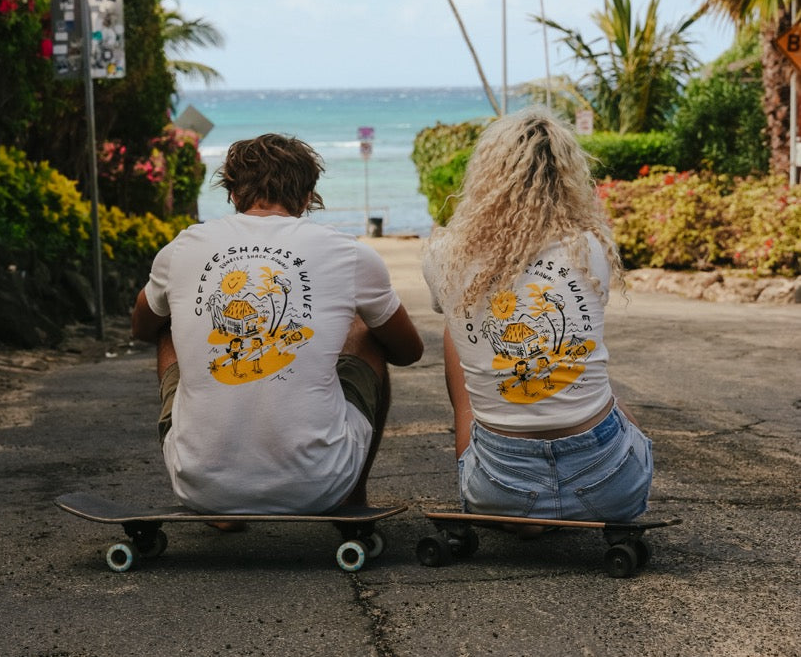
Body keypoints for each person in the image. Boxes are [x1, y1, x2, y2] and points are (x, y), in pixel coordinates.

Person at [132, 133, 423, 514]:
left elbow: (140, 326)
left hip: (200, 487)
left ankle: (218, 489)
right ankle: (352, 499)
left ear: (233, 194)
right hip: (320, 485)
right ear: (306, 198)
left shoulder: (182, 247)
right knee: (366, 332)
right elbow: (408, 350)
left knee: (167, 328)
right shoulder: (349, 253)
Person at [422, 107, 652, 525]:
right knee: (595, 378)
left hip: (500, 487)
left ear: (485, 177)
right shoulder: (590, 249)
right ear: (568, 177)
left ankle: (476, 475)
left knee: (454, 330)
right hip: (610, 487)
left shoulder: (445, 254)